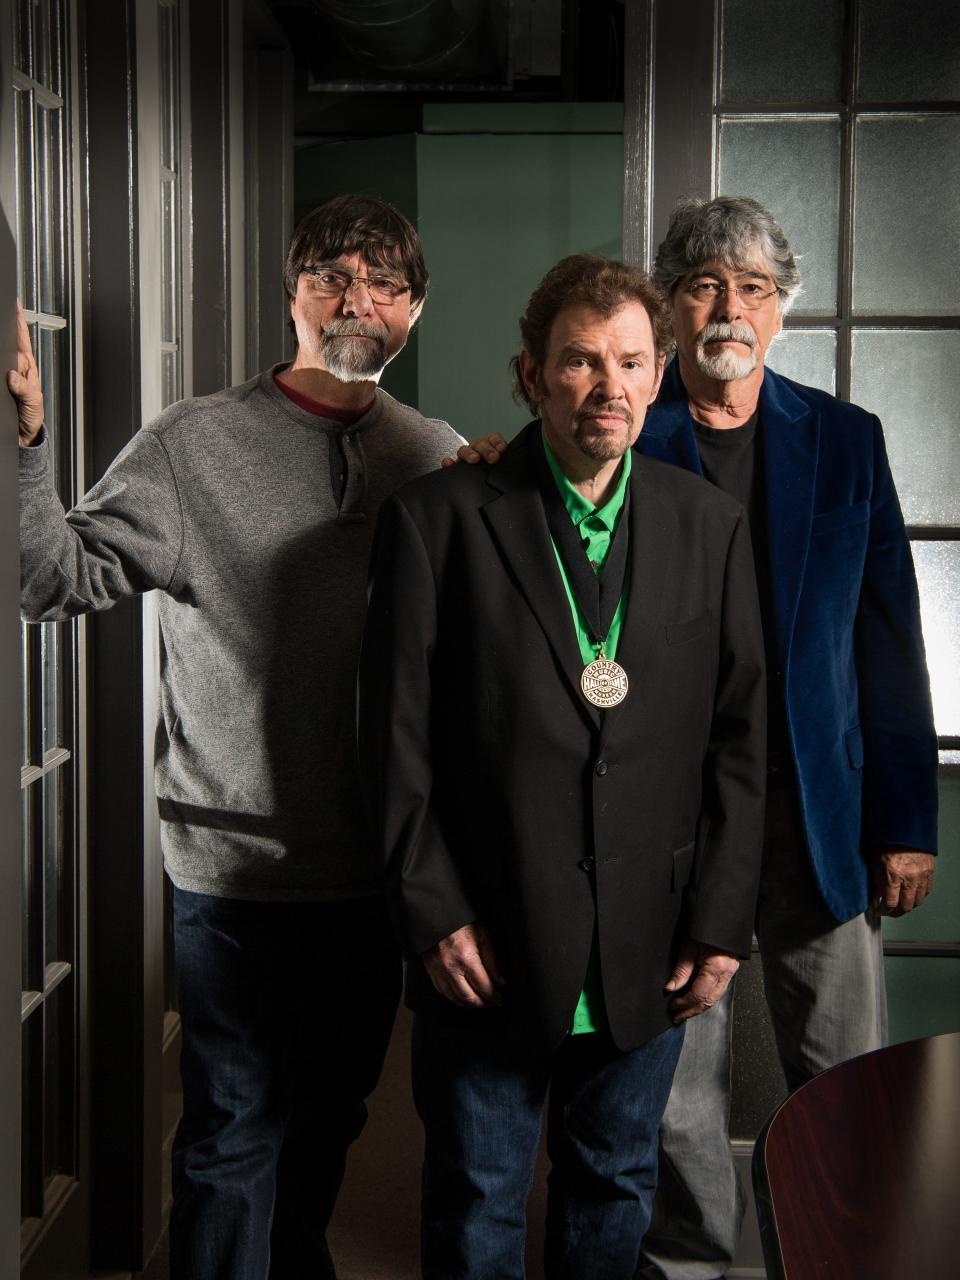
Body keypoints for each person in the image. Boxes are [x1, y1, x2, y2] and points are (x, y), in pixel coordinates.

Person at [10, 194, 462, 1280]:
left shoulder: (437, 456)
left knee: (330, 1118)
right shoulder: (190, 444)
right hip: (234, 872)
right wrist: (25, 442)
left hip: (376, 874)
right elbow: (48, 578)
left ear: (416, 311)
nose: (357, 300)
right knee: (230, 1132)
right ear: (293, 296)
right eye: (331, 277)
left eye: (384, 283)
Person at [358, 254, 767, 1280]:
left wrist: (721, 920)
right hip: (482, 943)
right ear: (532, 375)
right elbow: (391, 740)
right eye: (581, 363)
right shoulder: (435, 522)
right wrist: (432, 911)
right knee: (476, 1197)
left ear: (660, 376)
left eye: (631, 362)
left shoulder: (707, 526)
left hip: (648, 940)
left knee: (615, 1184)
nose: (609, 387)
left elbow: (743, 737)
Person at [627, 196, 939, 1280]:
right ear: (670, 303)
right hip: (673, 823)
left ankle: (850, 1256)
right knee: (677, 1091)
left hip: (826, 814)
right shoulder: (627, 432)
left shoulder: (847, 440)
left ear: (781, 307)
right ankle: (690, 1267)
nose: (728, 306)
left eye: (753, 287)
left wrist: (906, 819)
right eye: (706, 284)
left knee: (847, 1074)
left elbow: (889, 639)